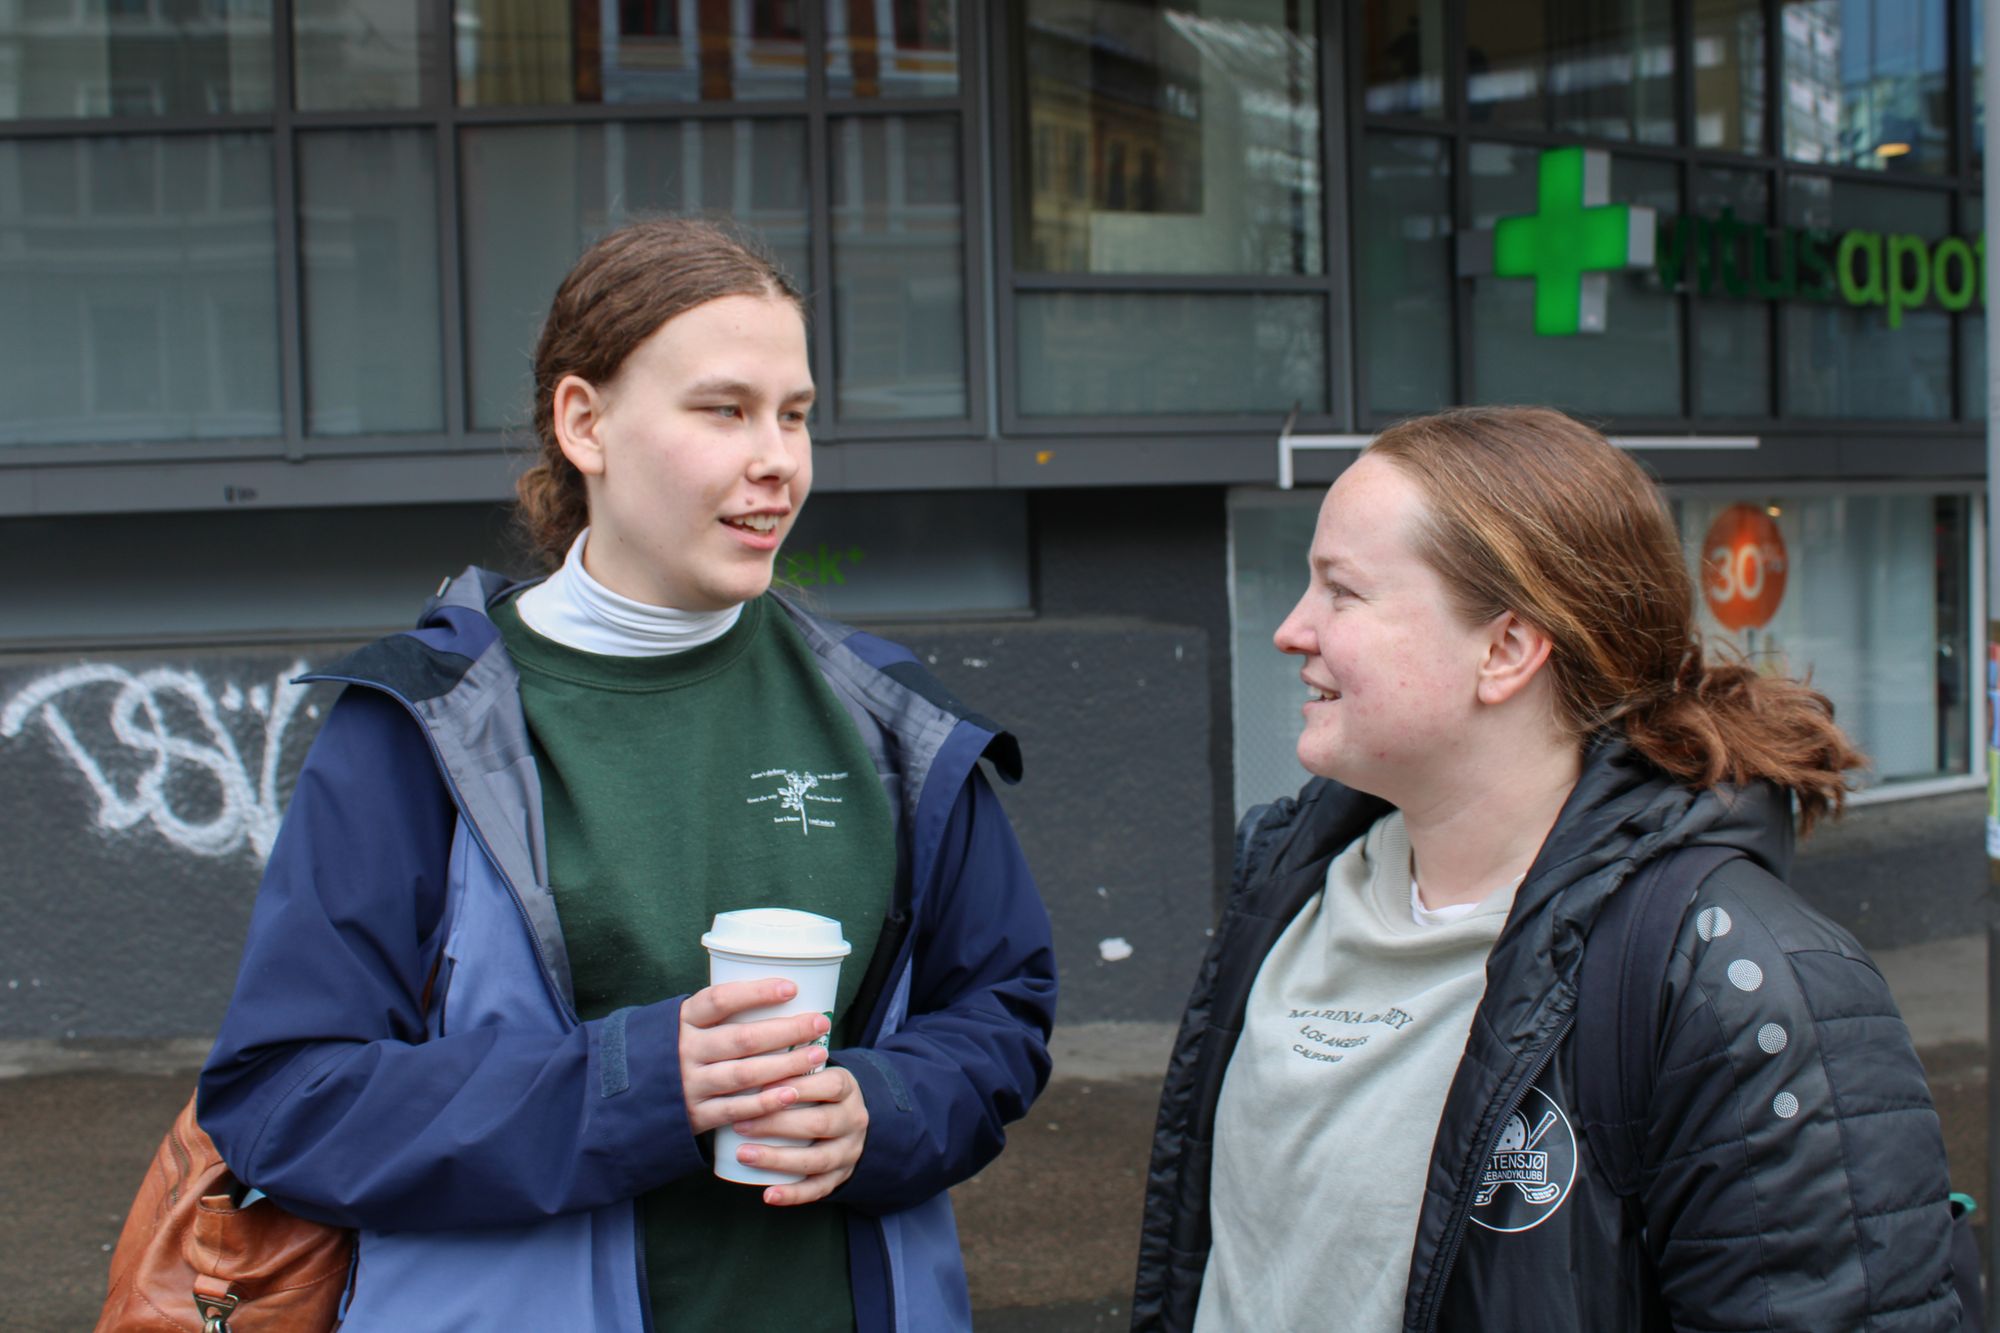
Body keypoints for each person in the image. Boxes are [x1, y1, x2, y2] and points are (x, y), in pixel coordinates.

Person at [197, 217, 1056, 1332]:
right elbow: (284, 1100)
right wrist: (637, 1084)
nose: (777, 460)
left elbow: (999, 1011)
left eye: (794, 415)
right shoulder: (418, 726)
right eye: (723, 409)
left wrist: (879, 1109)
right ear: (583, 423)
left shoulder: (892, 720)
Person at [1132, 406, 1964, 1331]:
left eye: (1342, 592)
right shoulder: (1287, 889)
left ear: (1506, 650)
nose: (1293, 629)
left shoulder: (1736, 987)